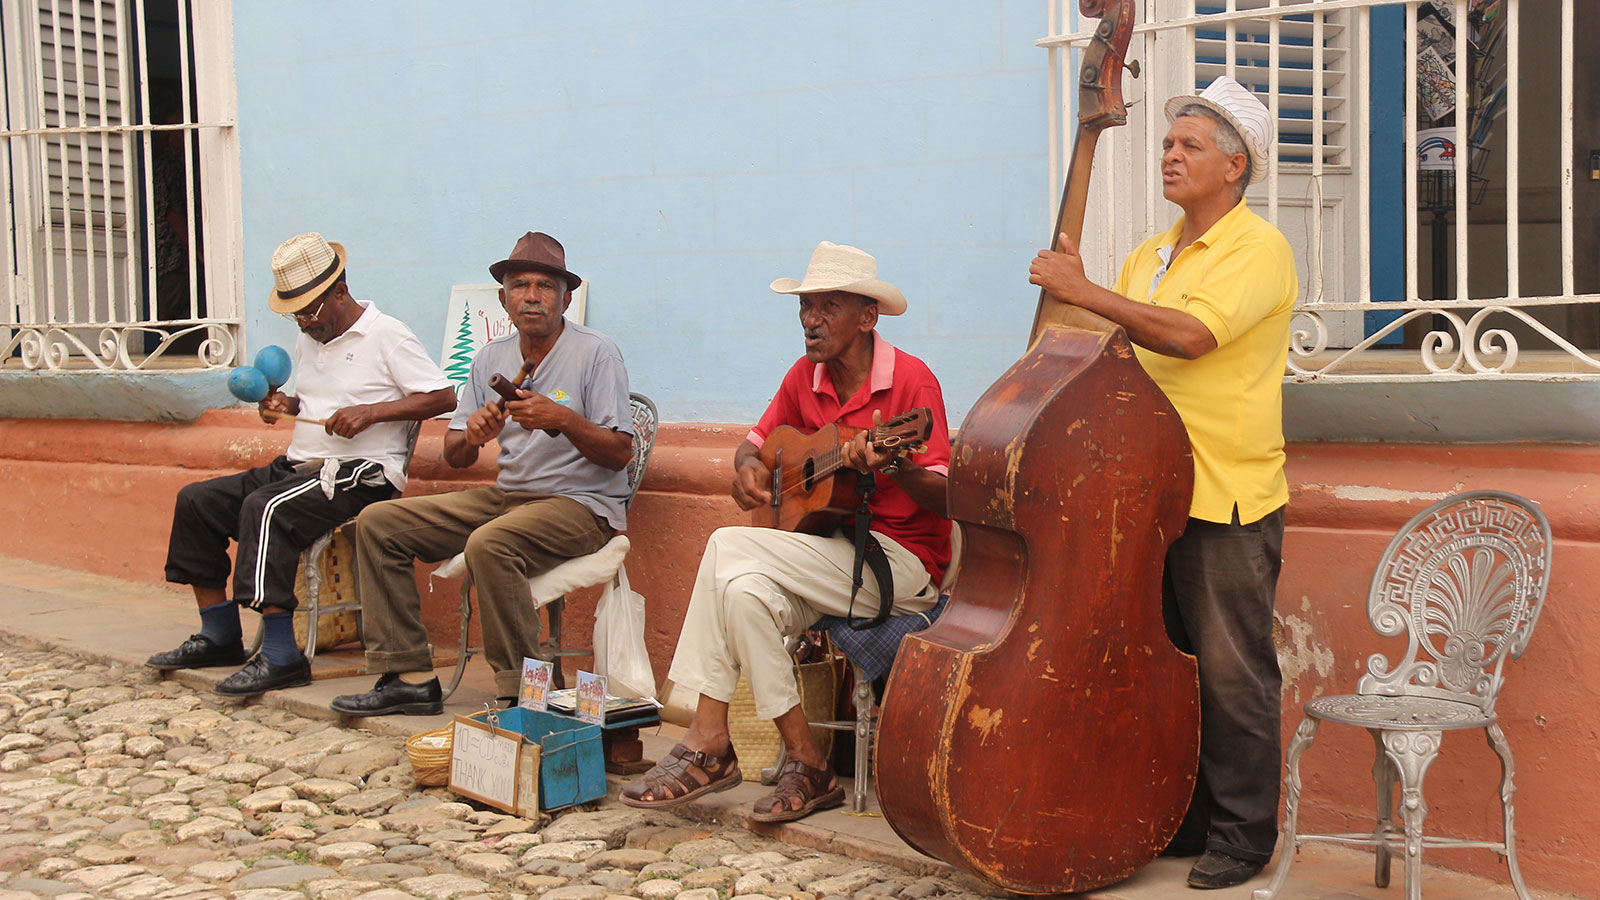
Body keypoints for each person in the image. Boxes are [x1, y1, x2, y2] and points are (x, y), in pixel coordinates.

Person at [1029, 75, 1297, 890]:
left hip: (1226, 494)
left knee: (1231, 671)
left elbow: (1188, 336)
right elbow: (1105, 339)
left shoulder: (1260, 249)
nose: (1170, 157)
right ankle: (1180, 818)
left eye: (1189, 146)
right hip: (1146, 494)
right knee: (1164, 666)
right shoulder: (1151, 252)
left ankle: (1244, 837)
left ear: (1235, 165)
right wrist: (1068, 301)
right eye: (1167, 144)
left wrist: (1089, 292)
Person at [620, 241, 953, 823]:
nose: (809, 319)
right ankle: (808, 762)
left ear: (867, 316)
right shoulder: (806, 376)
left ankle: (707, 735)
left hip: (899, 565)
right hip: (826, 554)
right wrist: (747, 471)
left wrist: (895, 464)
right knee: (744, 594)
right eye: (805, 306)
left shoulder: (912, 382)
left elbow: (946, 494)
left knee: (726, 544)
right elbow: (754, 446)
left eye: (826, 306)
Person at [331, 231, 633, 717]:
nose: (531, 296)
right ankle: (407, 676)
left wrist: (564, 420)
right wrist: (472, 435)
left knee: (490, 544)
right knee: (378, 523)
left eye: (545, 286)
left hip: (582, 506)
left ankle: (525, 693)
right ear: (503, 298)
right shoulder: (491, 357)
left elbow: (620, 453)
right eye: (520, 286)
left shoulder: (596, 352)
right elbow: (455, 456)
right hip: (509, 498)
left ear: (566, 298)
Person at [149, 232, 457, 696]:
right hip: (301, 467)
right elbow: (317, 400)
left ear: (340, 290)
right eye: (295, 313)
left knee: (265, 507)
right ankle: (219, 635)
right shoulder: (311, 337)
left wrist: (372, 413)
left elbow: (443, 395)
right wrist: (288, 406)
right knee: (197, 501)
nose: (304, 322)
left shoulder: (386, 334)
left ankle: (281, 656)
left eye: (310, 311)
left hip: (361, 474)